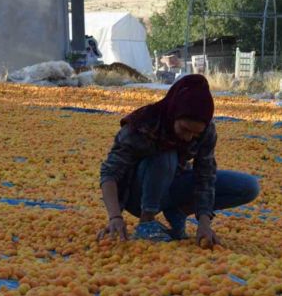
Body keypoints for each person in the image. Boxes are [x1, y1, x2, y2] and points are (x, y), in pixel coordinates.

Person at [97, 74, 259, 246]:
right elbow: (110, 173)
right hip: (136, 193)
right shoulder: (142, 124)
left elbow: (205, 175)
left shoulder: (206, 131)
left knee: (247, 187)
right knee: (166, 153)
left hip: (172, 184)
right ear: (174, 113)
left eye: (195, 134)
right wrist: (115, 216)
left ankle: (178, 211)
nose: (189, 138)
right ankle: (147, 222)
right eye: (185, 129)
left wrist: (204, 223)